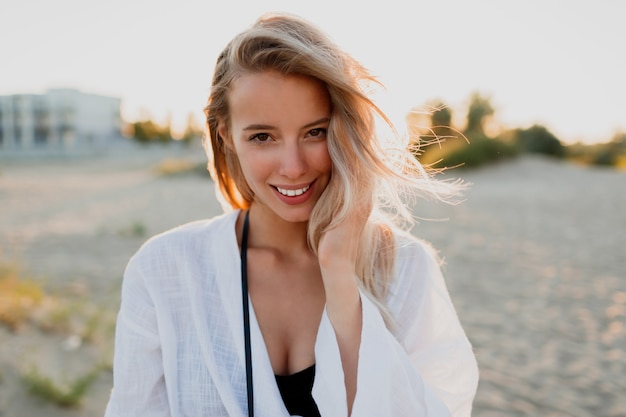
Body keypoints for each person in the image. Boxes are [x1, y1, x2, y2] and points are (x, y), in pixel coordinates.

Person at [105, 12, 478, 417]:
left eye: (315, 132)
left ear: (345, 129)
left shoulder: (405, 268)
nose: (294, 166)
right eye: (262, 137)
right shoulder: (164, 271)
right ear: (226, 134)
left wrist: (339, 274)